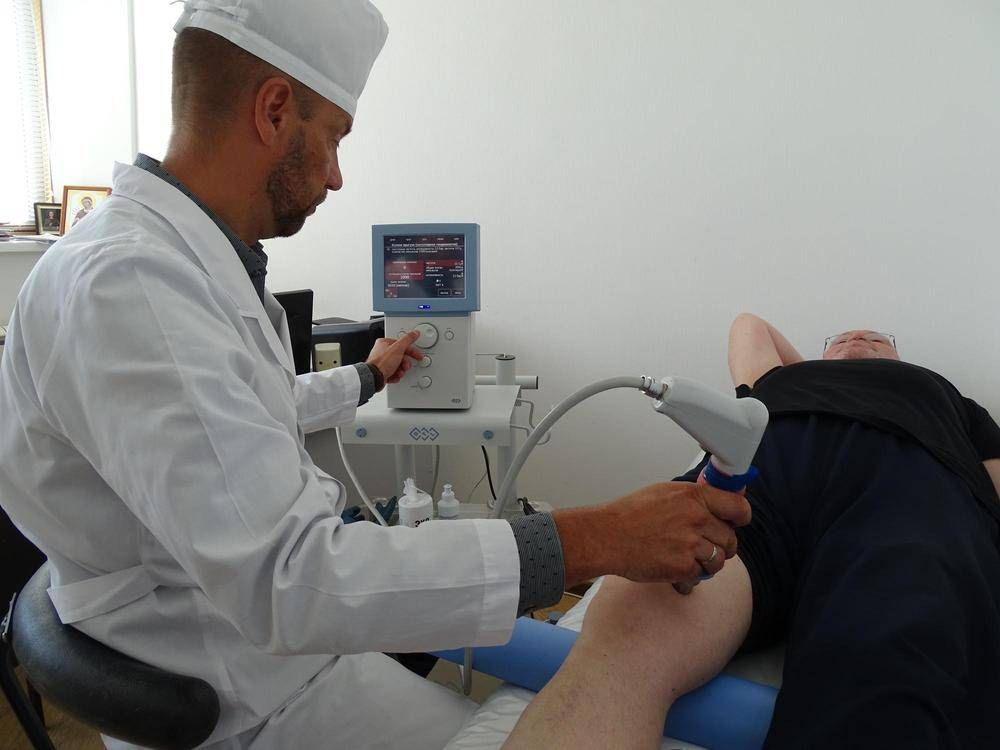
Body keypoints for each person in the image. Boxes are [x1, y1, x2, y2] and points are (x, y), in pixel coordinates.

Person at [0, 2, 750, 748]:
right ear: (273, 110)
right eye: (334, 138)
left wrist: (366, 375)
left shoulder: (189, 264)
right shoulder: (130, 287)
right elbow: (291, 577)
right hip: (241, 702)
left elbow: (253, 412)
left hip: (288, 663)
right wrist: (598, 537)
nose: (336, 176)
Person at [505, 314, 1000, 749]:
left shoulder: (946, 396)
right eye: (841, 338)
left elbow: (991, 489)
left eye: (875, 339)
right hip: (758, 476)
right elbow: (750, 324)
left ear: (900, 358)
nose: (856, 337)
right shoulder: (781, 381)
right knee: (636, 617)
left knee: (898, 653)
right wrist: (815, 375)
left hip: (905, 482)